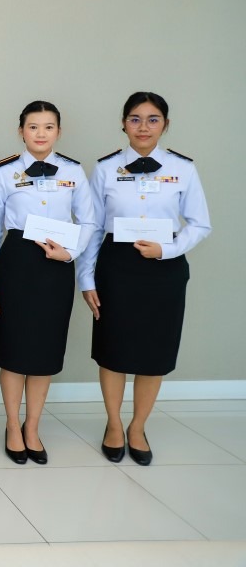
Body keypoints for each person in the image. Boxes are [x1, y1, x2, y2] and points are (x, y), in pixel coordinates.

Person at [78, 91, 210, 466]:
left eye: (153, 119)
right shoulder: (106, 168)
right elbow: (92, 226)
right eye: (135, 119)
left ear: (165, 125)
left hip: (163, 267)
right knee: (113, 350)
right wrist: (86, 278)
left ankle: (138, 427)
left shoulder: (183, 168)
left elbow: (200, 223)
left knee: (155, 352)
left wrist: (167, 249)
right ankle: (114, 424)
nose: (143, 127)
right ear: (123, 124)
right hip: (116, 266)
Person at [0, 101, 97, 465]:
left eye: (48, 127)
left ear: (58, 132)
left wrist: (70, 253)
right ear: (21, 131)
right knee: (13, 349)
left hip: (57, 265)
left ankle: (33, 427)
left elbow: (90, 221)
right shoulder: (4, 171)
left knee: (44, 351)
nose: (41, 133)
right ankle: (12, 426)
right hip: (16, 263)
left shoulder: (74, 171)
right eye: (33, 127)